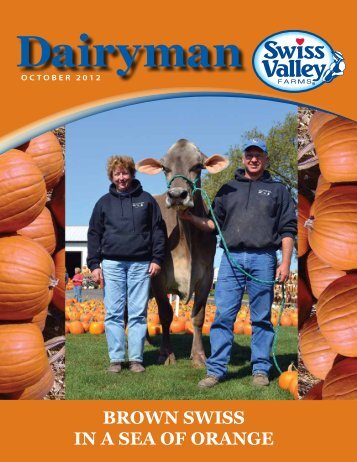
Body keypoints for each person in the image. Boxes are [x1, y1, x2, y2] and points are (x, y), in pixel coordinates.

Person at [179, 139, 297, 388]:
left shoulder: (279, 191)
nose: (254, 159)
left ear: (265, 160)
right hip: (231, 260)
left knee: (262, 319)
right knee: (223, 315)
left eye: (259, 155)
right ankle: (216, 371)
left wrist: (285, 263)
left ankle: (261, 370)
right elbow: (213, 225)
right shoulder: (227, 189)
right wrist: (190, 218)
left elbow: (288, 230)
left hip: (264, 259)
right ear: (243, 159)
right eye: (249, 155)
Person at [87, 156, 166, 373]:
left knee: (138, 313)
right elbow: (94, 234)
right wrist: (94, 264)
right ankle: (116, 358)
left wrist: (157, 259)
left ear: (132, 174)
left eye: (125, 173)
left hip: (140, 264)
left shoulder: (147, 200)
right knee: (113, 312)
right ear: (111, 177)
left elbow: (159, 231)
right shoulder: (103, 203)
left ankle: (136, 359)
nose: (121, 178)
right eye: (117, 174)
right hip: (112, 264)